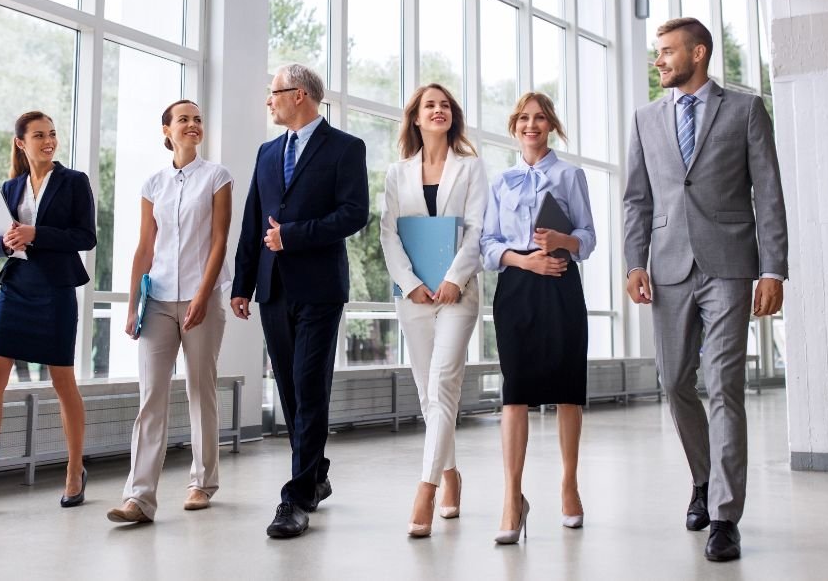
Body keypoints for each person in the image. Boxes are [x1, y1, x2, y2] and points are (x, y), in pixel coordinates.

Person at [623, 17, 788, 562]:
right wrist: (633, 261)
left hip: (731, 265)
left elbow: (768, 192)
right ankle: (702, 477)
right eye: (657, 53)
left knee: (723, 384)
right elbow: (637, 199)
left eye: (667, 52)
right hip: (667, 267)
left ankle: (724, 515)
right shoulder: (646, 119)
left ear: (698, 53)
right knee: (674, 382)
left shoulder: (744, 110)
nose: (659, 61)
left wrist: (774, 269)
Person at [231, 63, 368, 538]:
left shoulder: (346, 148)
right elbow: (253, 220)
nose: (268, 101)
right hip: (272, 289)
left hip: (320, 288)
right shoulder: (268, 153)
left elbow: (354, 214)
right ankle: (316, 473)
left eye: (274, 93)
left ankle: (296, 498)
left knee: (309, 385)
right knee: (289, 388)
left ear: (300, 95)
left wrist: (294, 236)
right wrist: (241, 285)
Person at [0, 111, 96, 519]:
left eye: (52, 134)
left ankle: (74, 471)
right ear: (21, 143)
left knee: (61, 378)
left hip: (54, 290)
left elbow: (86, 236)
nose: (48, 141)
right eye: (39, 135)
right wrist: (6, 240)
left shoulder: (74, 182)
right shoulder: (9, 187)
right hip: (16, 287)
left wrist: (36, 234)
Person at [107, 100, 233, 524]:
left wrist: (202, 295)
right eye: (184, 120)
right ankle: (139, 498)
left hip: (203, 298)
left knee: (201, 390)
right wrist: (131, 305)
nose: (193, 124)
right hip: (157, 299)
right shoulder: (153, 184)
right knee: (151, 398)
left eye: (198, 119)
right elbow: (145, 246)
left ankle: (202, 482)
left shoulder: (217, 177)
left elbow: (219, 241)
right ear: (167, 130)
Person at [480, 92, 596, 544]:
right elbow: (488, 245)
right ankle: (512, 497)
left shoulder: (570, 175)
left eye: (540, 118)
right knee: (516, 392)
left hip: (562, 283)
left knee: (568, 388)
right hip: (517, 286)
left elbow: (588, 238)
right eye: (524, 118)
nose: (532, 125)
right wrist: (526, 260)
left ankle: (569, 484)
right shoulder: (500, 181)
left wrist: (561, 242)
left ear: (550, 126)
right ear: (514, 126)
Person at [379, 83, 487, 537]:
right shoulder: (396, 172)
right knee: (429, 395)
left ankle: (425, 490)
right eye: (430, 105)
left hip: (457, 295)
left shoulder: (471, 168)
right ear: (416, 118)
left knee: (442, 382)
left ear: (452, 117)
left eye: (445, 105)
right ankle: (450, 474)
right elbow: (388, 234)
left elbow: (479, 229)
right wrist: (412, 284)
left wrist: (452, 279)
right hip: (415, 299)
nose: (438, 110)